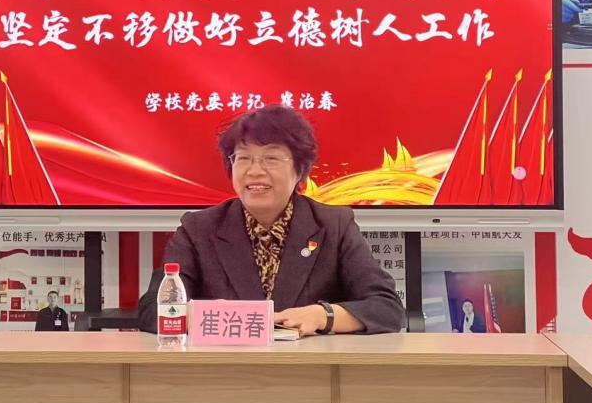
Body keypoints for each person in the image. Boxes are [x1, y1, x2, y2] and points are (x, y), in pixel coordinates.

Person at [137, 106, 405, 336]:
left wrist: (323, 316)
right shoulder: (199, 228)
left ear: (299, 170)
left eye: (271, 159)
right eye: (243, 158)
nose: (255, 171)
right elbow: (152, 310)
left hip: (310, 370)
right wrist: (208, 316)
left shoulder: (334, 225)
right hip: (223, 370)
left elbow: (386, 308)